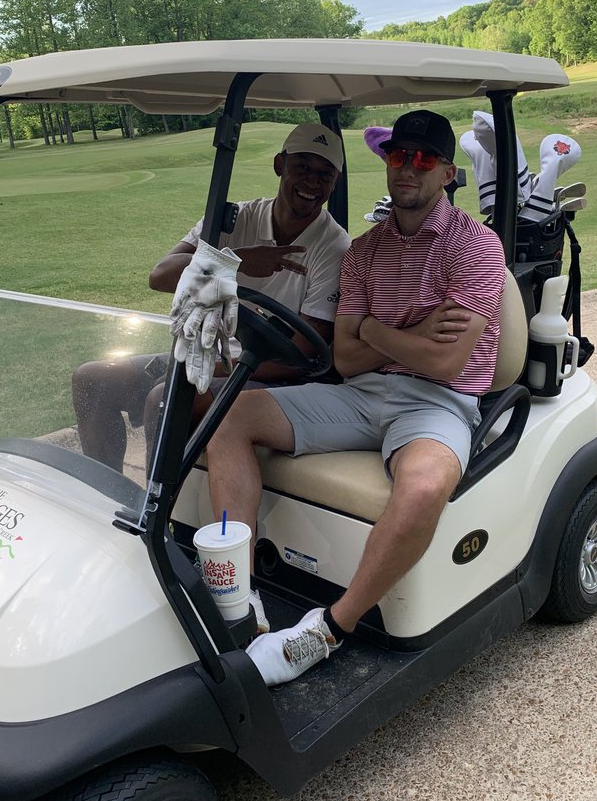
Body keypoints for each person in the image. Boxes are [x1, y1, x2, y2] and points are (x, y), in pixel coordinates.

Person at [204, 109, 506, 686]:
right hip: (360, 393)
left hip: (437, 404)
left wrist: (375, 332)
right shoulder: (365, 250)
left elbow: (444, 363)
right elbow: (343, 357)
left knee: (423, 485)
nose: (406, 170)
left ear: (446, 172)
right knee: (228, 418)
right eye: (397, 157)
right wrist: (405, 337)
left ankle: (327, 630)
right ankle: (238, 601)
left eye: (422, 160)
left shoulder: (476, 248)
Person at [72, 119, 351, 473]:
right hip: (210, 353)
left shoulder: (333, 246)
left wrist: (201, 366)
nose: (312, 182)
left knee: (167, 397)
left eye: (324, 175)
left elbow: (302, 356)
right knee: (93, 378)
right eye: (302, 167)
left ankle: (158, 515)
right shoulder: (237, 218)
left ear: (335, 182)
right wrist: (235, 262)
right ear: (280, 165)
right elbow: (161, 275)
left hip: (271, 372)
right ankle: (106, 494)